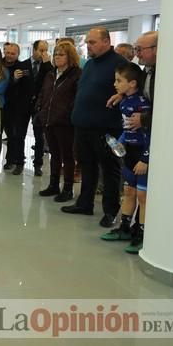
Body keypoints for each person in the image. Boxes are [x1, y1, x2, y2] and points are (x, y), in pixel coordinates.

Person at [61, 27, 126, 228]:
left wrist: (121, 96)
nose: (88, 46)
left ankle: (110, 210)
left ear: (106, 41)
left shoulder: (120, 64)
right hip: (83, 125)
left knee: (110, 170)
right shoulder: (89, 64)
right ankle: (84, 203)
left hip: (106, 128)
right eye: (87, 42)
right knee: (87, 165)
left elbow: (131, 88)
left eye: (92, 42)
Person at [101, 63, 151, 254]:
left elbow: (150, 134)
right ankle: (124, 228)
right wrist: (120, 143)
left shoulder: (143, 106)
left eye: (118, 81)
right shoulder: (124, 102)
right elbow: (126, 128)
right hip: (129, 152)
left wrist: (145, 159)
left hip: (142, 154)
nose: (115, 84)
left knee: (143, 196)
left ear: (132, 83)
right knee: (129, 192)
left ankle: (142, 234)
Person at [35, 40, 82, 202]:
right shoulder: (50, 74)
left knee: (67, 156)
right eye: (55, 54)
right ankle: (53, 184)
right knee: (54, 155)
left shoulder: (76, 75)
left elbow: (76, 99)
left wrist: (66, 114)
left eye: (61, 54)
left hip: (65, 122)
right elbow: (43, 93)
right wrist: (40, 109)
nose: (56, 57)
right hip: (48, 120)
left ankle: (67, 188)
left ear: (70, 56)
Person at [2, 42, 33, 175]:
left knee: (19, 135)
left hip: (20, 108)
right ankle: (10, 160)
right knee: (9, 135)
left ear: (18, 54)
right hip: (4, 106)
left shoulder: (23, 67)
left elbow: (29, 88)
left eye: (12, 53)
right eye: (7, 52)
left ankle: (19, 162)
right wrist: (12, 80)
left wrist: (16, 80)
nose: (9, 55)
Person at [29, 39, 53, 176]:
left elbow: (50, 79)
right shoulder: (25, 64)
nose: (43, 53)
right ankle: (16, 160)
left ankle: (38, 164)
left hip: (39, 106)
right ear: (34, 50)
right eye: (41, 50)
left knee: (39, 136)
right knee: (18, 133)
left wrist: (47, 64)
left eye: (45, 50)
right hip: (25, 104)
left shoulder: (48, 66)